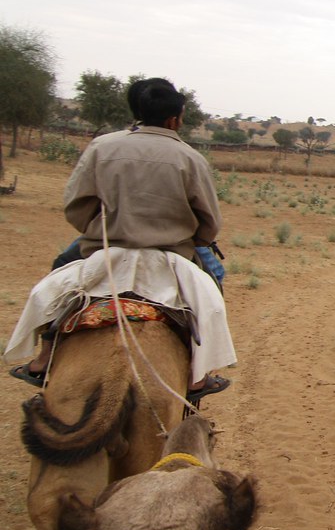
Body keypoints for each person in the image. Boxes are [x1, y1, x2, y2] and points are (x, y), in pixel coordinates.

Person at [5, 78, 234, 399]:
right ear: (174, 119)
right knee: (213, 286)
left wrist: (99, 232)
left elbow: (76, 206)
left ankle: (43, 358)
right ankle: (198, 374)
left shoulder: (103, 146)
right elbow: (209, 224)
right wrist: (191, 237)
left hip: (105, 250)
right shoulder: (191, 159)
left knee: (53, 283)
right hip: (170, 256)